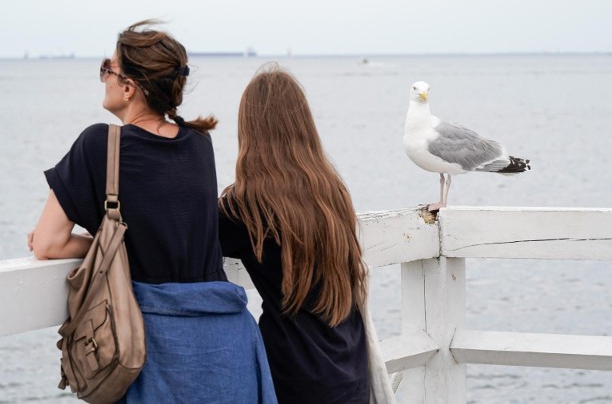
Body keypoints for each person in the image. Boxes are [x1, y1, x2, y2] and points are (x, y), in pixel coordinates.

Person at [28, 20, 276, 403]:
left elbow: (48, 243)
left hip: (157, 353)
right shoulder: (199, 144)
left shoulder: (99, 145)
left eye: (106, 69)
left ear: (128, 88)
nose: (103, 78)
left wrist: (104, 243)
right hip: (227, 346)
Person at [218, 65, 370, 404]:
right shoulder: (331, 191)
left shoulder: (247, 207)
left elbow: (190, 237)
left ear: (250, 131)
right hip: (350, 371)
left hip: (295, 378)